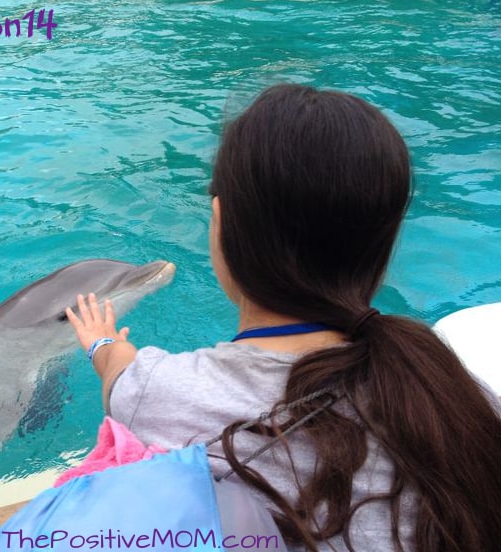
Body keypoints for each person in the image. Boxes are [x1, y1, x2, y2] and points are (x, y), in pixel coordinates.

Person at [66, 83, 501, 552]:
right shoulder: (464, 405)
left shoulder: (159, 394)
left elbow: (119, 371)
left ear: (220, 223)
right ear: (386, 241)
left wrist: (100, 342)